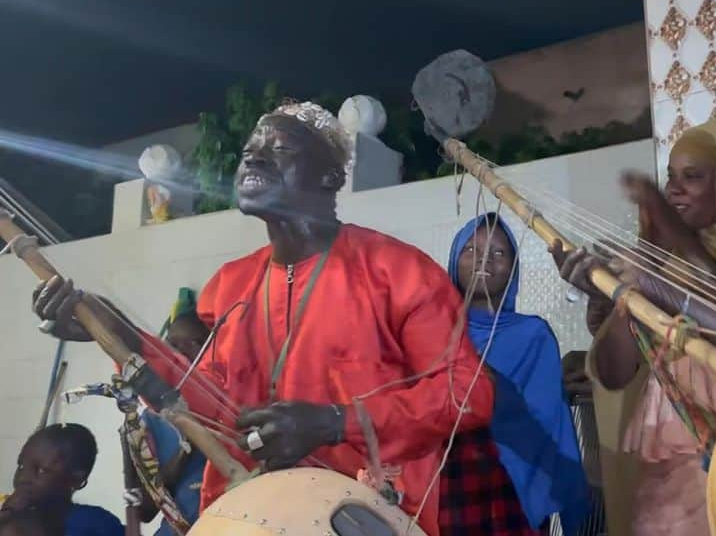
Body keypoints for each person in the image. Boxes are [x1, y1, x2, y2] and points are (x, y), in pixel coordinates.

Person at [31, 100, 494, 536]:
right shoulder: (229, 285)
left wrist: (336, 421)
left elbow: (468, 394)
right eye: (249, 153)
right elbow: (204, 405)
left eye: (281, 150)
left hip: (358, 515)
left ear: (331, 177)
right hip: (246, 513)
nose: (254, 160)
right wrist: (118, 333)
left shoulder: (399, 271)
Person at [551, 120, 716, 535]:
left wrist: (660, 274)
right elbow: (617, 373)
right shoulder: (657, 265)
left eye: (692, 177)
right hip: (666, 450)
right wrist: (607, 296)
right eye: (670, 177)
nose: (675, 189)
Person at [441, 213, 590, 536]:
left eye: (498, 253)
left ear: (514, 269)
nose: (484, 260)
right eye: (471, 250)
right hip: (447, 488)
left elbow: (547, 425)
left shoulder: (533, 335)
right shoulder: (431, 331)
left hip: (518, 494)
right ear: (453, 261)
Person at [135, 288, 208, 535]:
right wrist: (186, 447)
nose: (183, 352)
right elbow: (145, 510)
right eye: (173, 344)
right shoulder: (150, 419)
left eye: (197, 343)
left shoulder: (235, 408)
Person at [1, 424, 123, 536]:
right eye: (21, 466)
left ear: (76, 480)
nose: (23, 478)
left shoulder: (92, 523)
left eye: (41, 470)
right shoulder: (12, 518)